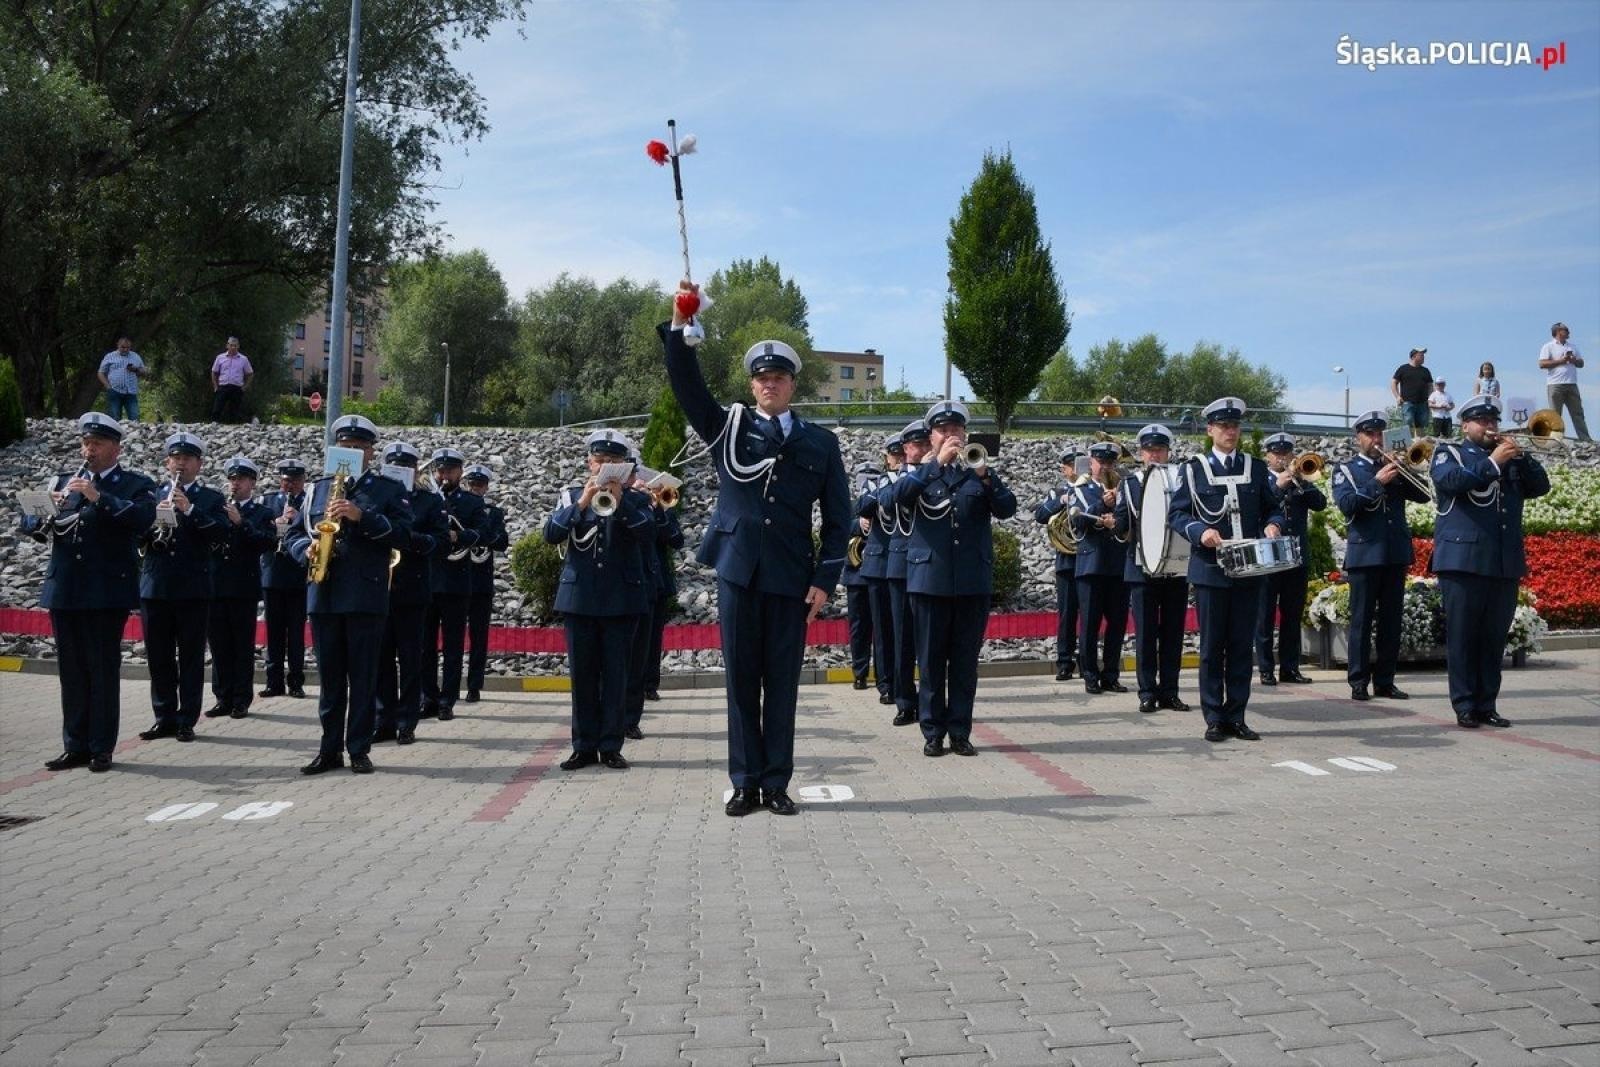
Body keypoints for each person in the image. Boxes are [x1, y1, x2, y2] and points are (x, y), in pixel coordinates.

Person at [660, 284, 851, 816]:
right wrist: (680, 325)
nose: (771, 385)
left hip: (792, 578)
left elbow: (839, 519)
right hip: (738, 571)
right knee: (742, 681)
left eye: (780, 378)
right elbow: (687, 388)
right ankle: (745, 781)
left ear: (793, 385)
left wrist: (823, 579)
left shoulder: (820, 443)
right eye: (763, 379)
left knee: (782, 685)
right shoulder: (729, 428)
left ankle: (775, 783)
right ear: (753, 384)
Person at [23, 413, 157, 773]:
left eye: (96, 444)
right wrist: (42, 507)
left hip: (104, 591)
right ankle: (75, 744)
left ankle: (101, 747)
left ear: (116, 448)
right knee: (72, 672)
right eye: (85, 444)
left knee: (101, 670)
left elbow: (142, 519)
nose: (89, 450)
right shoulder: (65, 480)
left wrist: (99, 497)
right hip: (65, 589)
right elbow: (29, 524)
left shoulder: (134, 483)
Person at [285, 414, 413, 774]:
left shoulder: (388, 489)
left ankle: (358, 747)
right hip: (324, 593)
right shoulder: (318, 488)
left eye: (359, 448)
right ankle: (328, 750)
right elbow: (293, 535)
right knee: (330, 679)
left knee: (362, 677)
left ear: (370, 453)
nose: (352, 453)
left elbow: (403, 536)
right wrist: (304, 550)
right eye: (345, 447)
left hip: (365, 596)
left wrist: (361, 516)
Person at [892, 400, 1018, 757]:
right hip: (929, 580)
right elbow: (897, 499)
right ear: (931, 436)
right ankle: (933, 732)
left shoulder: (978, 471)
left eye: (957, 430)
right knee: (931, 661)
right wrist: (934, 465)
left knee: (964, 663)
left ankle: (960, 731)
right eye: (944, 431)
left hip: (971, 582)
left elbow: (1007, 508)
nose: (951, 436)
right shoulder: (917, 472)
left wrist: (985, 476)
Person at [1168, 397, 1285, 743]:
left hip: (1249, 569)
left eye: (1234, 426)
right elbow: (1177, 514)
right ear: (1210, 430)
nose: (1230, 431)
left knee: (1239, 645)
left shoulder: (1257, 467)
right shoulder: (1194, 468)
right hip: (1210, 569)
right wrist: (1200, 532)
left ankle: (1237, 714)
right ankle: (1214, 717)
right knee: (1211, 647)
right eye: (1223, 426)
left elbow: (1273, 509)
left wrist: (1274, 526)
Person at [1430, 393, 1550, 728]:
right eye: (1482, 421)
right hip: (1463, 560)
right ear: (1465, 424)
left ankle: (1487, 704)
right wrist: (1494, 462)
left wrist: (1521, 457)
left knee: (1493, 637)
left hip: (1502, 560)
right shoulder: (1449, 452)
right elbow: (1451, 482)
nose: (1490, 426)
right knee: (1464, 636)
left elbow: (1541, 486)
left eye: (1493, 421)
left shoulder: (1509, 457)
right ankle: (1465, 705)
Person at [543, 429, 654, 771]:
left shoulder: (637, 499)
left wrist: (620, 503)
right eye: (600, 461)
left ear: (624, 467)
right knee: (583, 675)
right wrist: (581, 502)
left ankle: (611, 745)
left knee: (617, 675)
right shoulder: (570, 494)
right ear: (589, 463)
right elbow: (551, 534)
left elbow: (648, 534)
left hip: (621, 597)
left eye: (613, 463)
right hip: (580, 598)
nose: (605, 467)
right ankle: (583, 746)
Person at [1331, 410, 1431, 702]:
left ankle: (1385, 681)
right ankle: (1359, 681)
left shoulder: (1395, 466)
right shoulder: (1346, 470)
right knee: (1361, 621)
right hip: (1365, 553)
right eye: (1369, 434)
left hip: (1395, 552)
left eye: (1379, 435)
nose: (1375, 440)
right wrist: (1377, 482)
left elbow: (1425, 495)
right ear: (1358, 437)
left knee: (1391, 621)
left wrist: (1404, 468)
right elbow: (1347, 505)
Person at [136, 432, 228, 744]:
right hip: (156, 586)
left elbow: (221, 533)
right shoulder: (150, 495)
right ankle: (164, 717)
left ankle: (187, 719)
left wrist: (189, 510)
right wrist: (151, 524)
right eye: (176, 458)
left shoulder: (211, 498)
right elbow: (135, 535)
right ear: (167, 462)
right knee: (159, 657)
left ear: (199, 464)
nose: (181, 463)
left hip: (193, 588)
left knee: (190, 657)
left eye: (187, 459)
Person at [373, 442, 449, 746]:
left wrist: (409, 539)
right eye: (394, 466)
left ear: (416, 470)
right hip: (379, 587)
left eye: (406, 467)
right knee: (381, 659)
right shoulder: (378, 497)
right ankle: (384, 719)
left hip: (413, 588)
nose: (400, 472)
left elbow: (441, 542)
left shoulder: (429, 501)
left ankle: (407, 721)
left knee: (410, 659)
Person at [1114, 425, 1191, 714]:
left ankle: (1170, 691)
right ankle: (1147, 691)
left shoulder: (1183, 480)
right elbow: (1122, 524)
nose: (1154, 455)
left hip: (1176, 567)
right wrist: (1114, 518)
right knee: (1145, 634)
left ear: (1168, 452)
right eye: (1149, 450)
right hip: (1141, 567)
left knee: (1173, 633)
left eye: (1159, 449)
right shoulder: (1130, 484)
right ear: (1141, 453)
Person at [421, 448, 491, 721]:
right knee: (425, 646)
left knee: (452, 646)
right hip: (428, 580)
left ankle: (447, 700)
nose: (444, 475)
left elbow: (484, 534)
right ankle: (428, 697)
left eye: (450, 470)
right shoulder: (427, 499)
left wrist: (458, 536)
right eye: (440, 470)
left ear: (460, 472)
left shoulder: (471, 503)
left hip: (457, 582)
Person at [204, 456, 276, 720]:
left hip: (242, 588)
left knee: (241, 646)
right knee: (219, 645)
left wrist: (241, 523)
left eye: (241, 480)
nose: (235, 484)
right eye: (232, 479)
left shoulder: (261, 513)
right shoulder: (219, 508)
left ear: (252, 483)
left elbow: (266, 543)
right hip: (216, 585)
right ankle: (222, 697)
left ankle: (241, 699)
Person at [1256, 433, 1325, 686]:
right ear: (1268, 455)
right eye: (1277, 453)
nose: (1282, 457)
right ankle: (1265, 668)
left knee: (1292, 615)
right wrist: (1279, 486)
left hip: (1296, 556)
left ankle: (1290, 667)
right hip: (1268, 556)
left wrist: (1302, 481)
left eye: (1286, 453)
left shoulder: (1302, 479)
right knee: (1264, 615)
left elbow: (1320, 503)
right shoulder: (1262, 480)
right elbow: (1257, 508)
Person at [1063, 441, 1130, 696]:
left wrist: (1118, 517)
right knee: (1090, 624)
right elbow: (1078, 519)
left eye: (1110, 463)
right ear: (1091, 462)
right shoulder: (1081, 487)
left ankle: (1111, 675)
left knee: (1117, 624)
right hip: (1092, 564)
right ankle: (1090, 674)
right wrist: (1102, 505)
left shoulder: (1124, 488)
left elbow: (1131, 518)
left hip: (1118, 564)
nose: (1105, 467)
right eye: (1101, 462)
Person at [878, 420, 929, 726]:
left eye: (926, 444)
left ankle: (930, 701)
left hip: (930, 566)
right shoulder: (897, 477)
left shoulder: (940, 474)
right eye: (915, 445)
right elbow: (884, 500)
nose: (921, 450)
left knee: (929, 639)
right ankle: (905, 700)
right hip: (900, 566)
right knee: (902, 638)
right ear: (906, 450)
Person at [622, 448, 673, 740]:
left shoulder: (646, 503)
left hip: (647, 584)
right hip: (618, 585)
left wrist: (657, 507)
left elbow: (670, 537)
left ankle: (630, 718)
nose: (635, 479)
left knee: (641, 654)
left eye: (635, 473)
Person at [856, 434, 902, 708]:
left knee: (904, 629)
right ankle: (886, 683)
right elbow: (864, 505)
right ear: (886, 456)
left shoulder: (916, 480)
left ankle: (904, 681)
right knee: (883, 629)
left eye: (902, 452)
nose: (899, 458)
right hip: (880, 563)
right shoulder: (875, 483)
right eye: (894, 453)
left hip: (905, 564)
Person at [259, 460, 309, 699]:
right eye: (287, 481)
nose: (291, 485)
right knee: (274, 632)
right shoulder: (268, 502)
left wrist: (298, 517)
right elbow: (256, 533)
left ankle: (296, 681)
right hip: (273, 574)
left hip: (298, 575)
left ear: (303, 481)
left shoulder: (309, 502)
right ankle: (273, 682)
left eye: (296, 481)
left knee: (296, 634)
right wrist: (274, 524)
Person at [463, 465, 510, 704]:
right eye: (472, 484)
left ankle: (474, 686)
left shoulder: (493, 513)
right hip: (459, 578)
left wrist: (483, 535)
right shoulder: (457, 508)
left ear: (486, 487)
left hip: (481, 580)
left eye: (479, 485)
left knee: (479, 637)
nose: (475, 488)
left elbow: (502, 541)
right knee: (453, 636)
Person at [1034, 449, 1082, 683]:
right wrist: (1060, 501)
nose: (1075, 468)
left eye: (1080, 463)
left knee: (1092, 615)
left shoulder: (1093, 488)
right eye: (1071, 465)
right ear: (1064, 468)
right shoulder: (1058, 491)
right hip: (1067, 561)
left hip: (1090, 559)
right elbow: (1040, 515)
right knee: (1067, 614)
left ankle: (1088, 661)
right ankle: (1065, 662)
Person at [843, 463, 880, 691]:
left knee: (883, 627)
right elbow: (835, 528)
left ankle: (883, 673)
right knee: (859, 627)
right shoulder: (849, 505)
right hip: (856, 573)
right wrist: (858, 523)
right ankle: (860, 672)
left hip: (879, 573)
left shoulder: (886, 500)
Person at [1539, 322, 1591, 441]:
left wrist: (1573, 360)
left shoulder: (1573, 347)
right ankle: (1555, 440)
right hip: (1555, 384)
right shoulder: (1548, 347)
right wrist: (1561, 361)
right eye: (1565, 330)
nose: (1568, 332)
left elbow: (1581, 363)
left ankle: (1585, 439)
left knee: (1578, 413)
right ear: (1557, 332)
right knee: (1555, 415)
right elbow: (1542, 364)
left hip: (1572, 384)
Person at [97, 337, 146, 422]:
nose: (125, 349)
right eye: (123, 347)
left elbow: (144, 372)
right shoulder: (110, 356)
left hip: (131, 392)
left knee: (135, 418)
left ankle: (135, 434)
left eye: (128, 347)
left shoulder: (135, 356)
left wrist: (136, 369)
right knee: (114, 418)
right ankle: (114, 435)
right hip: (114, 391)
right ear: (118, 345)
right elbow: (100, 373)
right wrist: (108, 386)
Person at [209, 337, 254, 423]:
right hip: (223, 387)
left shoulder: (243, 359)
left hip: (237, 388)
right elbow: (214, 372)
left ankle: (233, 428)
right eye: (231, 345)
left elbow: (250, 373)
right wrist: (215, 386)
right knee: (217, 408)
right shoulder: (220, 357)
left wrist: (245, 387)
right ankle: (214, 425)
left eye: (235, 346)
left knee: (234, 411)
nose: (233, 347)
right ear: (227, 346)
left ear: (238, 347)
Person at [1391, 347, 1433, 435]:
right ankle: (1408, 442)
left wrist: (1430, 398)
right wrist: (1397, 396)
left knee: (1422, 423)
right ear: (1413, 356)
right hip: (1407, 402)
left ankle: (1419, 443)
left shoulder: (1425, 371)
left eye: (1423, 356)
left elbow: (1430, 385)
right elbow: (1393, 382)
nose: (1423, 357)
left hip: (1422, 402)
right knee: (1408, 420)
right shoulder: (1403, 369)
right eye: (1421, 355)